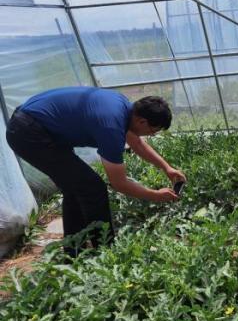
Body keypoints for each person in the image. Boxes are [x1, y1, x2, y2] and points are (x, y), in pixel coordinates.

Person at [5, 86, 186, 256]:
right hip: (28, 133)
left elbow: (136, 142)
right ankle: (105, 252)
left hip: (36, 126)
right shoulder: (111, 127)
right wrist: (156, 195)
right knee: (93, 188)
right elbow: (119, 183)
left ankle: (74, 252)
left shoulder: (124, 107)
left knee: (76, 188)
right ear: (142, 121)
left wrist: (167, 168)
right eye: (152, 131)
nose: (151, 135)